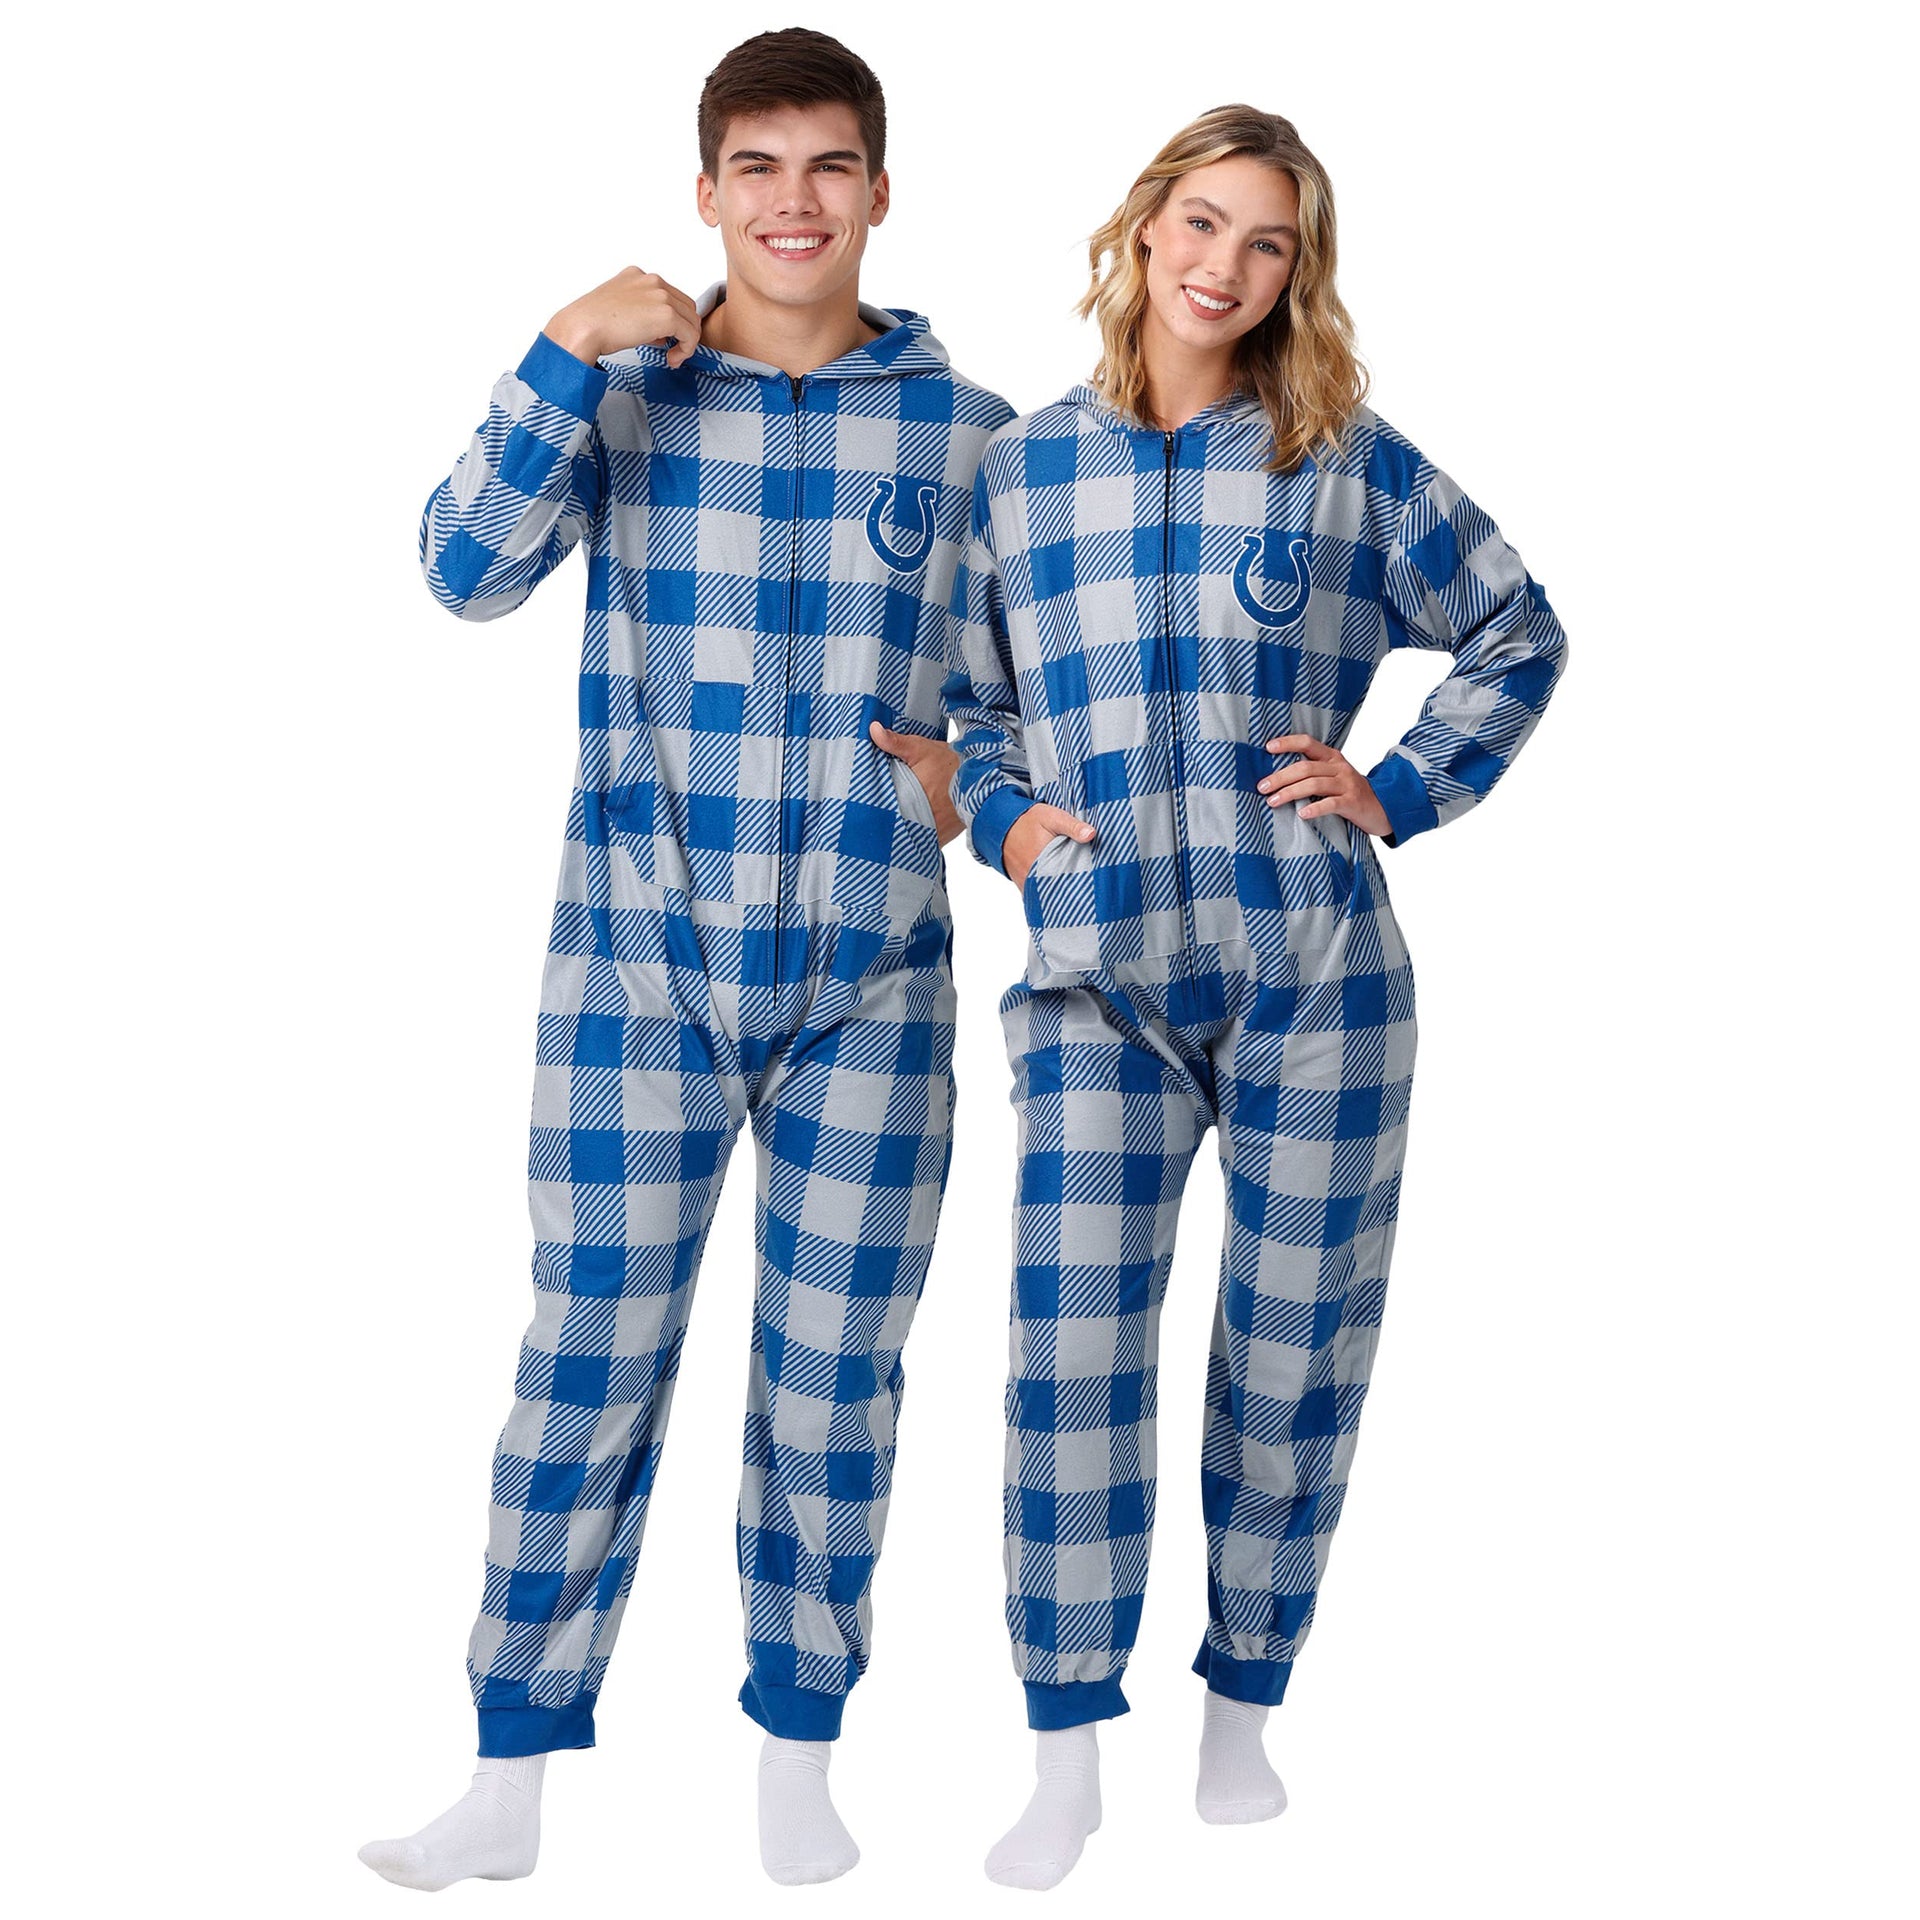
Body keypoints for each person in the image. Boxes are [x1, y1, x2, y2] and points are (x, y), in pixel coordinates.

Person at [359, 28, 1014, 1891]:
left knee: (835, 1381)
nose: (795, 201)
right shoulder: (622, 395)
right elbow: (462, 572)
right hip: (633, 977)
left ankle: (798, 1762)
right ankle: (506, 1777)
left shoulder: (975, 436)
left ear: (880, 191)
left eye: (830, 165)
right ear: (707, 192)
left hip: (871, 988)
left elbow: (1021, 694)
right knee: (588, 1359)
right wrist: (557, 350)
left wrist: (977, 774)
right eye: (759, 166)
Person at [943, 103, 1568, 1889]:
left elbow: (1520, 627)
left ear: (1299, 272)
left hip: (1319, 977)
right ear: (1144, 228)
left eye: (1269, 241)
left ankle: (1243, 1710)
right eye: (1203, 223)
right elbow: (970, 707)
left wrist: (1403, 786)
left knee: (1295, 1350)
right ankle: (1065, 1748)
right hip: (1098, 979)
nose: (1225, 264)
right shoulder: (1021, 472)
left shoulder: (1343, 460)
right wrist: (1009, 820)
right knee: (1071, 1352)